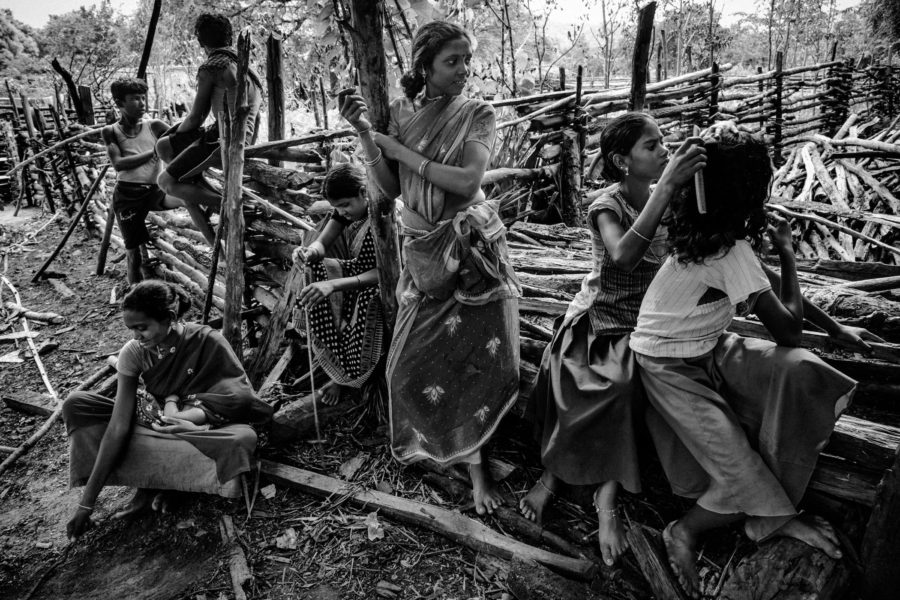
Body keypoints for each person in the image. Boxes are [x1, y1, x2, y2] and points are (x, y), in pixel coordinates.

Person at [629, 123, 881, 598]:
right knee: (737, 468)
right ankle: (686, 530)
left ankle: (772, 508)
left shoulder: (709, 231)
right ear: (748, 192)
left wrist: (834, 329)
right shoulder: (730, 247)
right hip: (668, 366)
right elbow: (786, 327)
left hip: (706, 347)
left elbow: (768, 297)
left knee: (799, 368)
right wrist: (789, 254)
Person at [339, 21, 520, 515]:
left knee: (476, 360)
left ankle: (477, 466)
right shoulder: (399, 112)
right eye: (452, 61)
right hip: (422, 248)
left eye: (466, 60)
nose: (464, 70)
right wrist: (365, 133)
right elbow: (390, 188)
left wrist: (400, 150)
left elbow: (466, 181)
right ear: (424, 66)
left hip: (468, 250)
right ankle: (445, 447)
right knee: (407, 363)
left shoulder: (476, 113)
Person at [521, 113, 707, 566]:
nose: (664, 151)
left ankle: (594, 494)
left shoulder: (679, 196)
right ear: (621, 160)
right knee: (600, 383)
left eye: (664, 141)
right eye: (651, 146)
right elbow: (622, 256)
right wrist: (663, 192)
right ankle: (569, 484)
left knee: (632, 386)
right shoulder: (608, 204)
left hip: (654, 320)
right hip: (600, 321)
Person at [63, 281, 272, 539]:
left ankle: (174, 486)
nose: (136, 337)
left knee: (242, 440)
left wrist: (196, 420)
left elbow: (239, 397)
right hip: (156, 424)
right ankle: (151, 486)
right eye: (131, 330)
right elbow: (119, 426)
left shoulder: (207, 340)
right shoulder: (135, 352)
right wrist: (87, 504)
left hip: (198, 428)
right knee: (77, 404)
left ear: (170, 318)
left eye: (142, 328)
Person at [156, 13, 263, 247]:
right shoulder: (245, 66)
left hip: (225, 139)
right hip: (245, 136)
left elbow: (195, 118)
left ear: (200, 42)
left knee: (166, 181)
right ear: (229, 36)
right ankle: (210, 207)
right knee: (173, 159)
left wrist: (174, 135)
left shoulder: (213, 67)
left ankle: (235, 203)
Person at [293, 163, 384, 405]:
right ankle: (336, 366)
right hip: (357, 273)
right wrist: (309, 252)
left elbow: (386, 273)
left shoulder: (385, 216)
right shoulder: (344, 213)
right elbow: (322, 244)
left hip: (381, 283)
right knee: (317, 269)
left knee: (367, 299)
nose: (342, 212)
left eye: (345, 205)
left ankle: (348, 375)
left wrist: (334, 286)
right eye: (337, 208)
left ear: (364, 192)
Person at [103, 78, 181, 284]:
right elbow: (118, 164)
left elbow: (181, 138)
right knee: (133, 253)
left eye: (143, 98)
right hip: (128, 195)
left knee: (185, 197)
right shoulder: (111, 131)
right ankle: (135, 295)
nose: (142, 103)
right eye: (135, 99)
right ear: (120, 103)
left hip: (155, 191)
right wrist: (154, 151)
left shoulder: (154, 126)